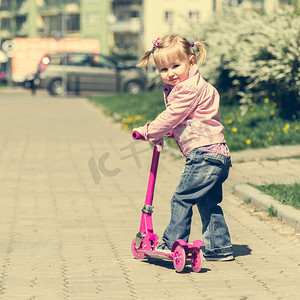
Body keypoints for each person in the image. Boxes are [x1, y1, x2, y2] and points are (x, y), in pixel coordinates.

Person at [133, 34, 233, 261]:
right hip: (218, 153)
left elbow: (173, 114)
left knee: (181, 198)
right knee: (208, 201)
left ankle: (171, 243)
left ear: (191, 61)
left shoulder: (187, 88)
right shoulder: (197, 85)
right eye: (163, 69)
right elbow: (193, 118)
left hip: (204, 154)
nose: (170, 73)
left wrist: (149, 130)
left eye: (176, 66)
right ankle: (219, 247)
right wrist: (172, 132)